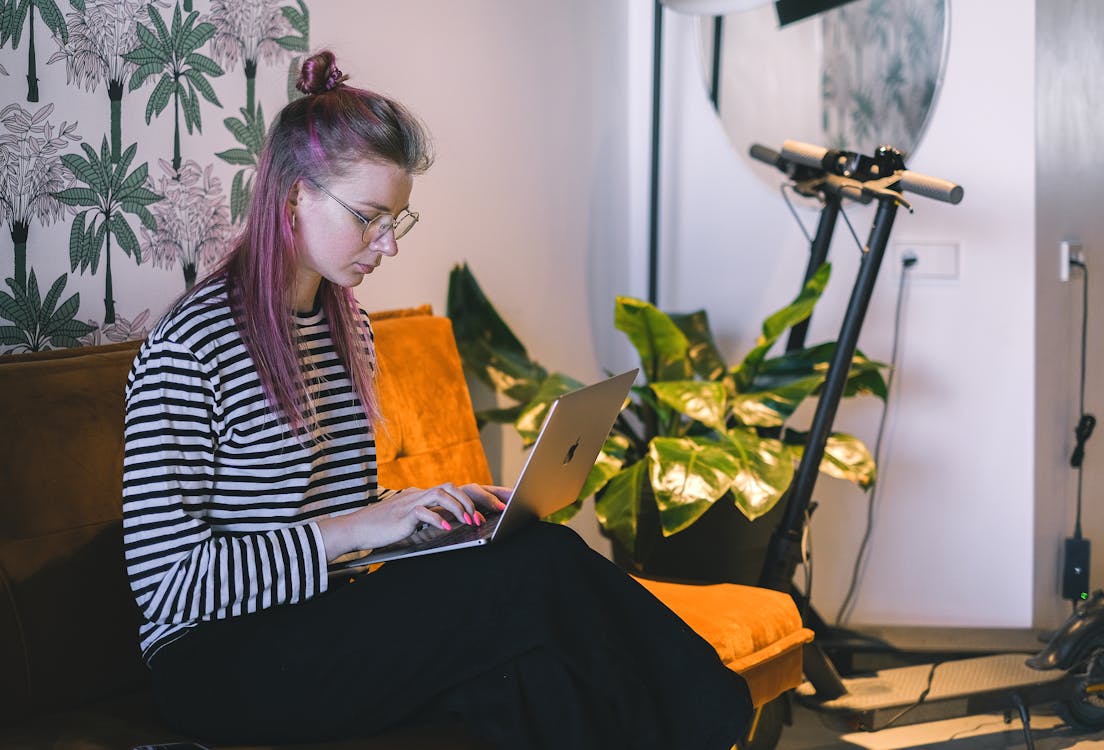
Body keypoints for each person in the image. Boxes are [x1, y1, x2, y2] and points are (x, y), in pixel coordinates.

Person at [122, 50, 752, 750]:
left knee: (528, 648)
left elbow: (344, 510)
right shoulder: (191, 345)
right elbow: (172, 587)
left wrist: (430, 515)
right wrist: (366, 526)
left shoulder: (341, 321)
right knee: (538, 570)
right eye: (369, 218)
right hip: (220, 659)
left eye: (397, 221)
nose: (386, 246)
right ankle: (718, 713)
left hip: (325, 611)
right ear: (295, 195)